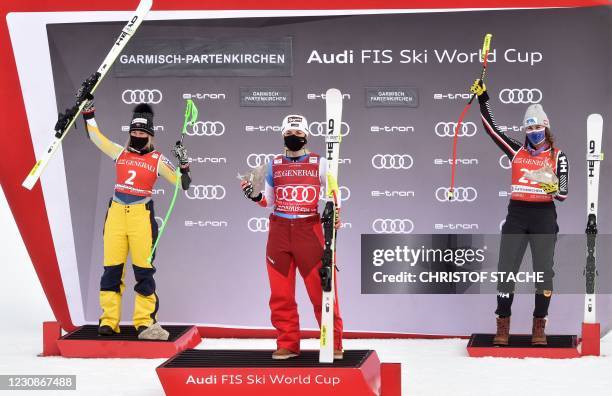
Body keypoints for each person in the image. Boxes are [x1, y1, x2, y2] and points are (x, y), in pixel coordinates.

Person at [81, 96, 191, 340]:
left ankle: (144, 323)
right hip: (117, 215)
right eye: (135, 132)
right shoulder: (119, 153)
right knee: (111, 269)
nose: (138, 136)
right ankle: (109, 320)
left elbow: (182, 185)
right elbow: (96, 137)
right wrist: (89, 114)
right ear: (130, 133)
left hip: (141, 217)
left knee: (144, 270)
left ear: (150, 135)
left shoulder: (157, 160)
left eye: (143, 133)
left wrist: (184, 164)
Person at [471, 80, 569, 346]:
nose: (534, 131)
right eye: (529, 127)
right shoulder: (516, 150)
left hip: (544, 215)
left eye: (538, 126)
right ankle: (502, 324)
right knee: (506, 271)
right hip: (517, 214)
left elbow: (563, 193)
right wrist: (483, 98)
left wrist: (553, 188)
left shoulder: (558, 156)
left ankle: (539, 325)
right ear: (524, 131)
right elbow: (492, 130)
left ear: (546, 127)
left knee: (543, 273)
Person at [240, 114, 344, 360]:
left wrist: (336, 215)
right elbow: (269, 201)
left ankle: (334, 342)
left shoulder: (320, 163)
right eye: (289, 134)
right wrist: (254, 196)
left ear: (306, 135)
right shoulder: (273, 164)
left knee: (323, 291)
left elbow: (333, 194)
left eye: (298, 134)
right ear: (283, 135)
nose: (294, 138)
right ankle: (287, 343)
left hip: (309, 229)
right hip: (279, 231)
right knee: (280, 293)